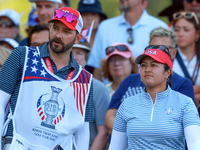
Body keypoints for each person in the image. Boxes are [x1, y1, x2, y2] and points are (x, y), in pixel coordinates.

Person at [0, 7, 93, 150]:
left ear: (78, 38)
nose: (59, 35)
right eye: (56, 28)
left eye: (66, 31)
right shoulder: (21, 55)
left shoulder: (85, 79)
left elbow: (82, 130)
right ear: (50, 27)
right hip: (16, 144)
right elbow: (0, 103)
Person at [105, 27, 195, 136]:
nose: (156, 52)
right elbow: (110, 116)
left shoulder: (183, 85)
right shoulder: (129, 80)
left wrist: (136, 136)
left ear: (174, 52)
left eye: (163, 48)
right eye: (152, 47)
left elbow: (182, 127)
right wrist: (133, 137)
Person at [108, 45, 200, 149]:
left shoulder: (185, 103)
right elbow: (115, 147)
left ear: (167, 73)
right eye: (143, 65)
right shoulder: (127, 104)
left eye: (153, 65)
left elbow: (195, 143)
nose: (147, 69)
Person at [87, 0, 168, 80]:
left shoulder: (159, 27)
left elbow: (165, 67)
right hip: (111, 91)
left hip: (148, 91)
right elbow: (97, 69)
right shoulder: (105, 27)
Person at [72, 41, 109, 150]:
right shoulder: (55, 83)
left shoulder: (99, 88)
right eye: (70, 52)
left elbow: (103, 132)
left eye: (79, 53)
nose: (74, 57)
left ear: (86, 58)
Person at [172, 11, 200, 107]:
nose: (180, 34)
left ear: (197, 33)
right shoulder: (168, 57)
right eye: (177, 29)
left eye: (186, 29)